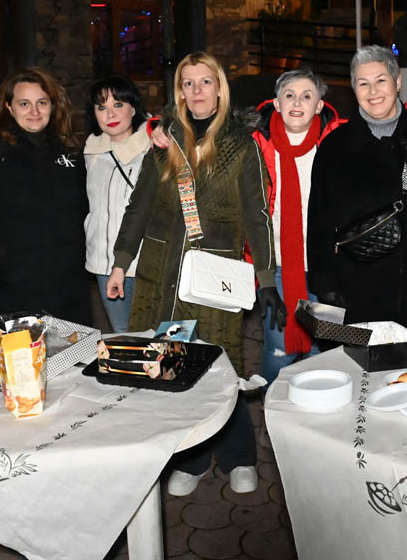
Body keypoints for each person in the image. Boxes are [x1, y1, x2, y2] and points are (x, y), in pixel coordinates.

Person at [108, 52, 276, 496]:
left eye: (205, 82)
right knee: (172, 365)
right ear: (179, 92)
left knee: (222, 365)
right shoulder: (164, 143)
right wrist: (121, 261)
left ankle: (239, 455)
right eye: (188, 83)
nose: (197, 91)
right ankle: (193, 458)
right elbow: (139, 207)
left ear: (220, 88)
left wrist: (267, 279)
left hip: (214, 275)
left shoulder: (241, 146)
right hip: (161, 271)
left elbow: (257, 216)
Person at [307, 45, 407, 336]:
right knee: (360, 362)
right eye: (363, 83)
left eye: (381, 80)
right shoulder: (335, 146)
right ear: (353, 89)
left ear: (397, 81)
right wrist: (325, 284)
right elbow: (319, 219)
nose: (373, 91)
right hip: (356, 288)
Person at [0, 68, 92, 338]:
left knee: (73, 359)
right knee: (19, 361)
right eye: (24, 103)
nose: (34, 111)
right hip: (12, 287)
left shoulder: (73, 151)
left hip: (67, 284)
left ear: (53, 106)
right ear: (8, 107)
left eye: (42, 102)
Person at [251, 68, 345, 384]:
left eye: (307, 96)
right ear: (276, 103)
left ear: (319, 106)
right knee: (280, 352)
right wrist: (157, 128)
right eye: (289, 95)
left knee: (324, 351)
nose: (297, 103)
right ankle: (268, 409)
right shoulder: (255, 142)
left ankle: (316, 411)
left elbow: (396, 141)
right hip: (277, 265)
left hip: (324, 266)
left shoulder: (337, 141)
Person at [83, 74, 150, 332]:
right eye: (102, 107)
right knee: (123, 335)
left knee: (157, 338)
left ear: (133, 108)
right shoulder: (90, 152)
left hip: (145, 262)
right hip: (103, 262)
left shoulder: (154, 147)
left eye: (118, 104)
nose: (110, 114)